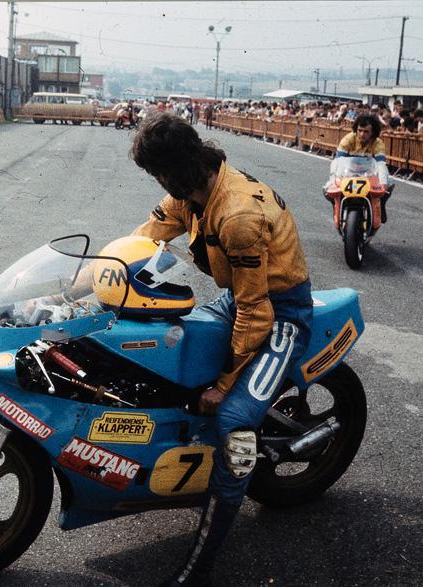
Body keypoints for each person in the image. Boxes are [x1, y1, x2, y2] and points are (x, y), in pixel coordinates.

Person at [128, 112, 312, 585]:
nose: (157, 182)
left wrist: (225, 385)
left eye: (157, 172)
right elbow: (141, 241)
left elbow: (257, 313)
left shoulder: (237, 217)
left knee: (233, 421)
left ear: (175, 168)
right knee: (169, 347)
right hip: (239, 300)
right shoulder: (188, 194)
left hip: (281, 314)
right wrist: (80, 289)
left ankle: (201, 567)